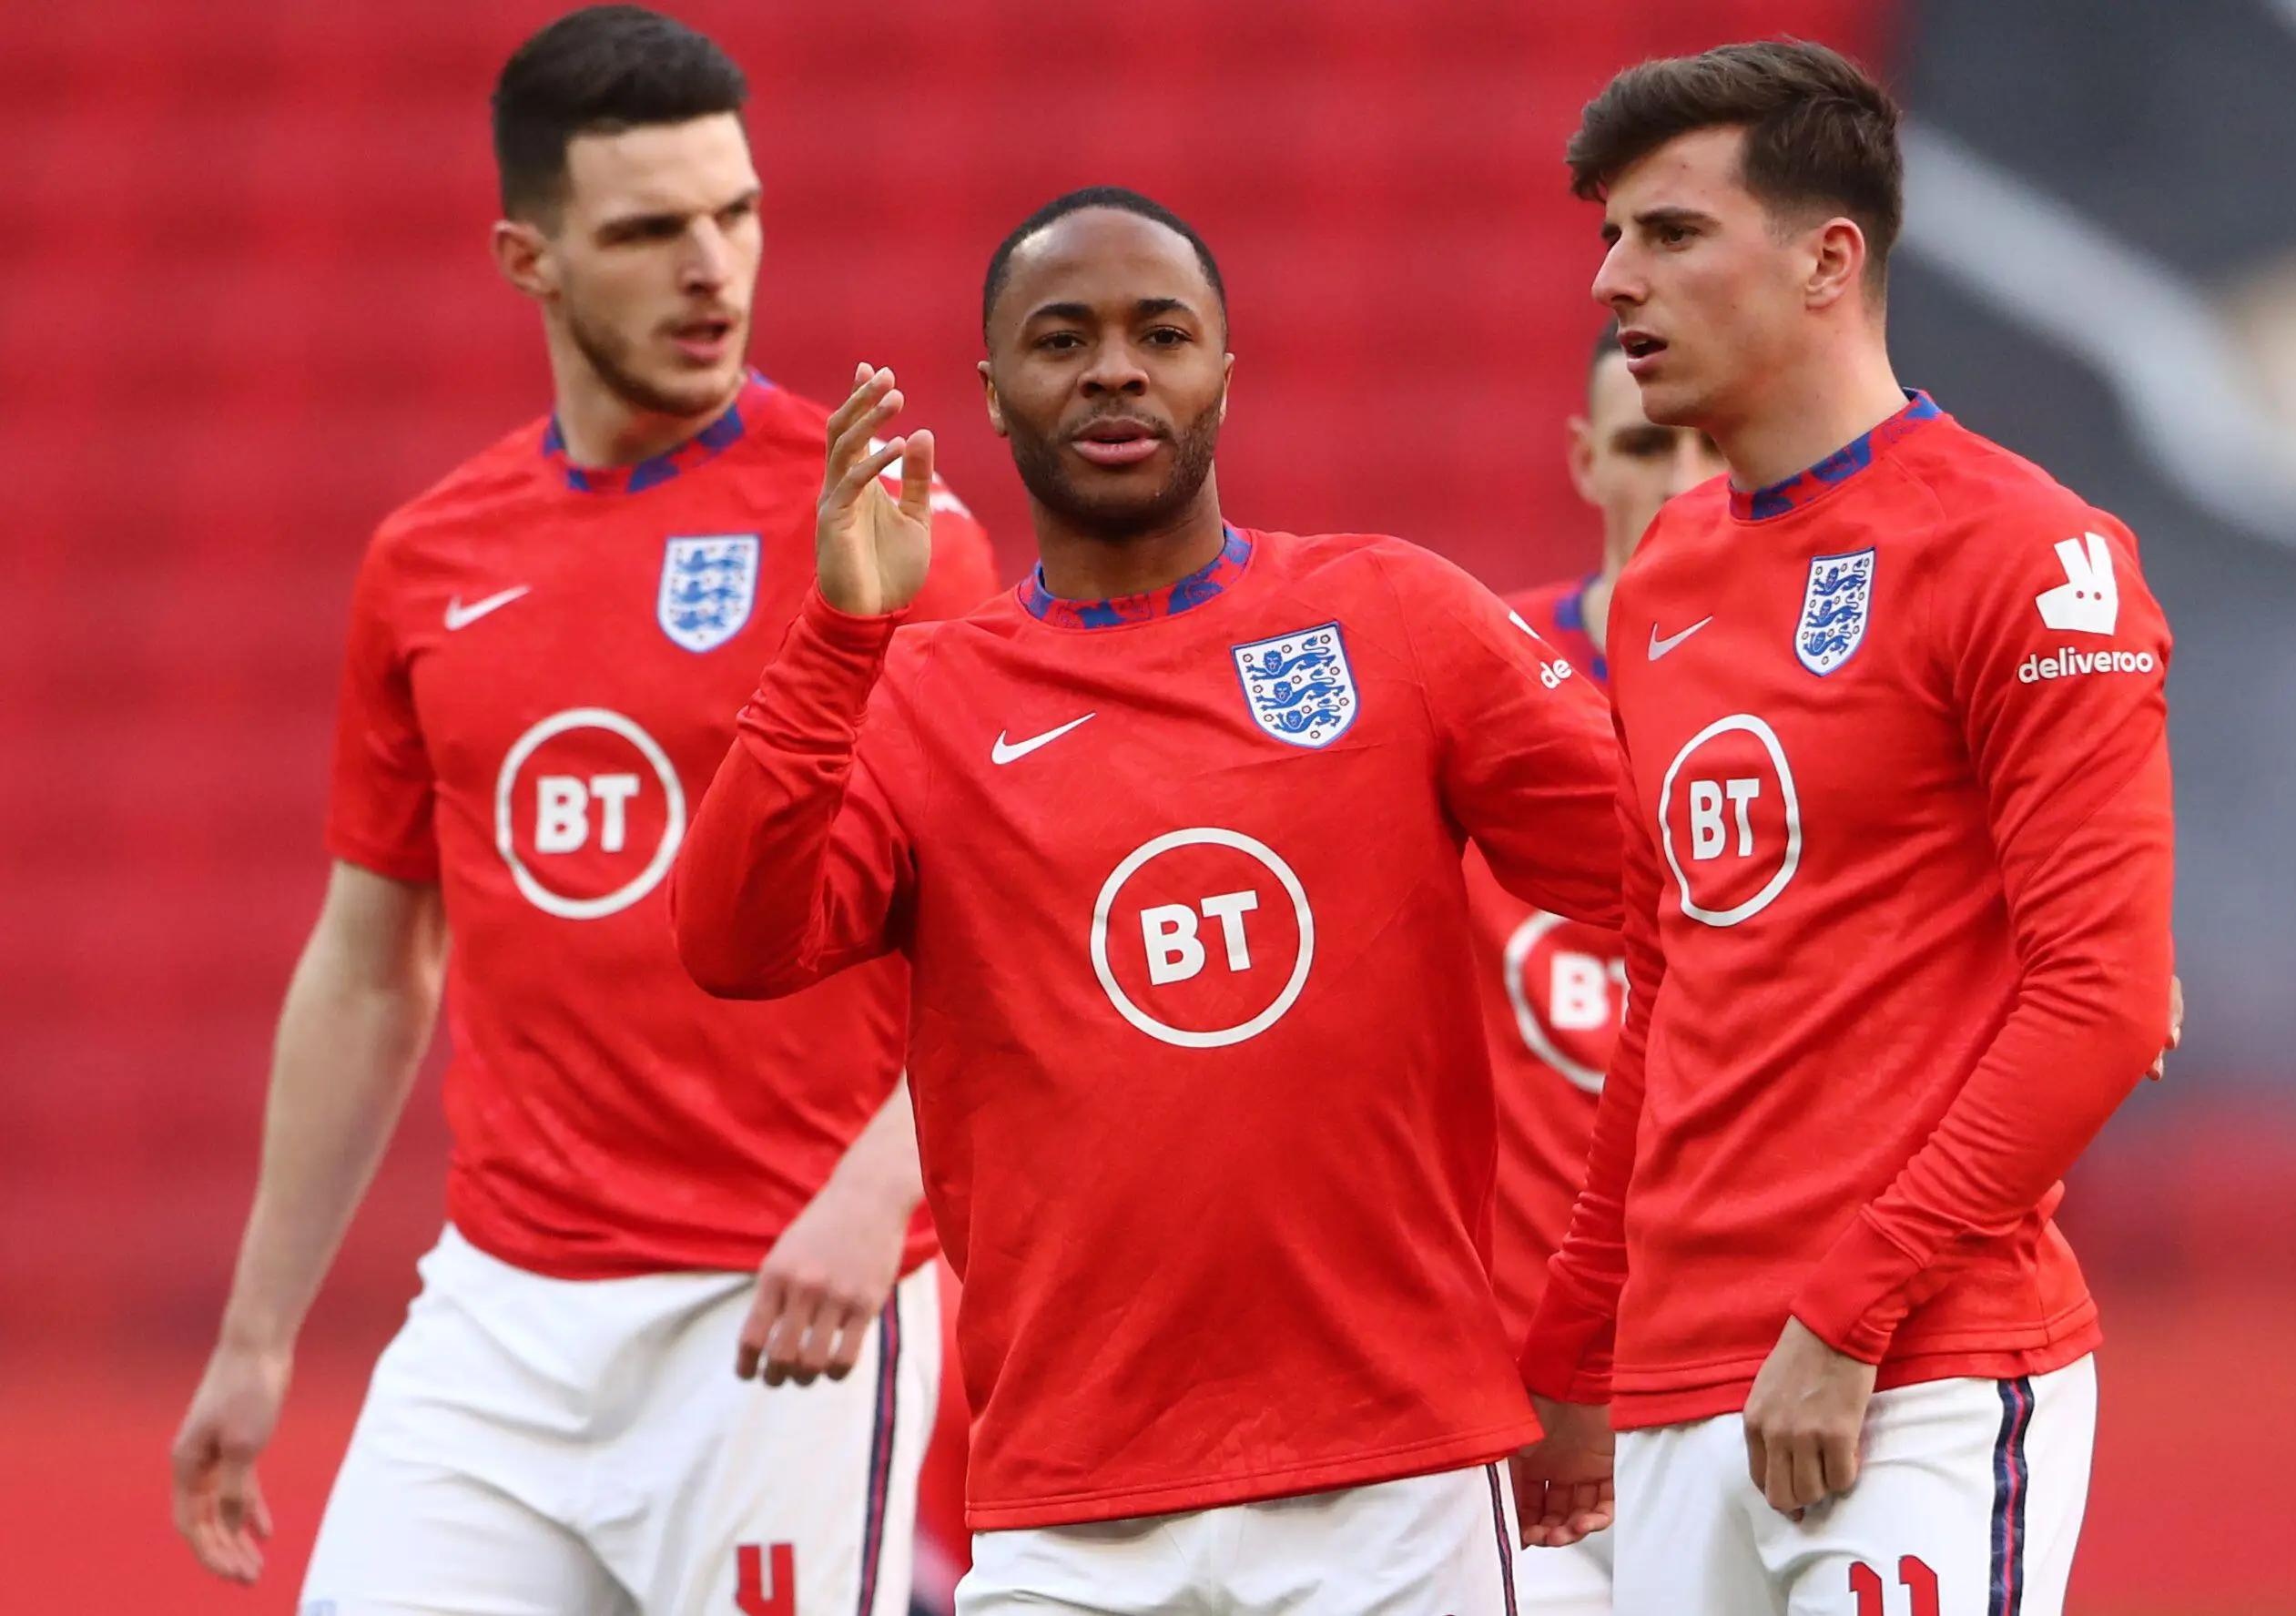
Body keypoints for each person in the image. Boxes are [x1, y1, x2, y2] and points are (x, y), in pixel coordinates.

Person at [671, 187, 1623, 1615]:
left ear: (1222, 375)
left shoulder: (1395, 620)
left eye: (1158, 332)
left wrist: (1599, 1314)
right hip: (1071, 1507)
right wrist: (837, 633)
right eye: (1062, 338)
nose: (1113, 366)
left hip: (1392, 1486)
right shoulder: (925, 697)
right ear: (992, 395)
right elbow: (733, 944)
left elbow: (1680, 897)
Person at [167, 10, 995, 1613]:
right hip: (503, 1309)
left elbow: (1009, 914)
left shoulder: (883, 529)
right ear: (526, 256)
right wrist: (258, 1334)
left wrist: (885, 1192)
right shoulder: (429, 556)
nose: (712, 268)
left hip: (784, 1309)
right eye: (647, 229)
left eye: (735, 213)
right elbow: (368, 964)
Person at [1508, 41, 2177, 1616]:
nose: (1614, 278)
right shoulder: (1663, 575)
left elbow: (2101, 999)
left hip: (1917, 1373)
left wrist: (1846, 1315)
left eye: (1668, 233)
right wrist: (1574, 1335)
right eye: (1609, 236)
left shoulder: (2031, 554)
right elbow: (1668, 988)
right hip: (1677, 1383)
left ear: (1827, 260)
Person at [1474, 327, 1722, 1616]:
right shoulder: (1476, 684)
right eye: (1641, 445)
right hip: (1515, 1412)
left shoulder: (1836, 699)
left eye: (1705, 444)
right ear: (1583, 460)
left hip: (1742, 1374)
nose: (1678, 479)